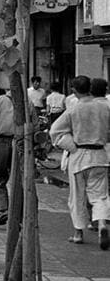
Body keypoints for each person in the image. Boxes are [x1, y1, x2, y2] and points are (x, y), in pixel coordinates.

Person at [49, 75, 110, 249]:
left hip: (79, 155)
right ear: (90, 88)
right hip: (100, 155)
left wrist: (71, 146)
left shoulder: (73, 110)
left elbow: (55, 132)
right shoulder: (104, 108)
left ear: (74, 90)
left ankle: (78, 233)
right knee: (100, 195)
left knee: (77, 196)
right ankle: (102, 223)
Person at [0, 89, 15, 225]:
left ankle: (4, 209)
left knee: (0, 178)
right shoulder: (27, 101)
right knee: (18, 179)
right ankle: (16, 211)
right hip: (19, 141)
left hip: (1, 141)